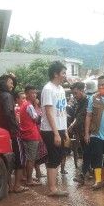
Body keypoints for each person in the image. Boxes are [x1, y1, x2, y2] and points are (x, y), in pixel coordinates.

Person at [0, 74, 27, 193]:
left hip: (1, 129)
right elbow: (9, 113)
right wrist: (16, 128)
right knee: (20, 158)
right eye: (10, 82)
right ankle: (16, 186)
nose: (13, 85)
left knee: (7, 158)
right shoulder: (7, 96)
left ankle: (8, 185)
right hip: (12, 131)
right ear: (4, 83)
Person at [40, 61, 70, 197]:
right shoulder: (48, 89)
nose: (65, 75)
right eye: (63, 73)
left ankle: (54, 186)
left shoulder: (61, 89)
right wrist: (56, 134)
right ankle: (52, 189)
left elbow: (62, 112)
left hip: (61, 129)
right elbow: (49, 112)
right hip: (50, 130)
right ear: (55, 74)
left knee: (59, 157)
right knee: (54, 157)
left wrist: (65, 132)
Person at [20, 85, 43, 187]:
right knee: (31, 159)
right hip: (31, 134)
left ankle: (26, 177)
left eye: (35, 93)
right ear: (27, 93)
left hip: (25, 134)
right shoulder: (29, 105)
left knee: (28, 158)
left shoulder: (23, 104)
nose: (35, 95)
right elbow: (36, 119)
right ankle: (29, 180)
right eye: (32, 93)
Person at [69, 82, 91, 185]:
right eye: (73, 94)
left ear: (82, 91)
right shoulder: (78, 102)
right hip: (81, 132)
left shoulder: (88, 101)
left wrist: (71, 126)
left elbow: (80, 116)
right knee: (86, 152)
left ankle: (82, 174)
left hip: (89, 132)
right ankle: (90, 171)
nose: (74, 96)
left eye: (76, 93)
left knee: (87, 153)